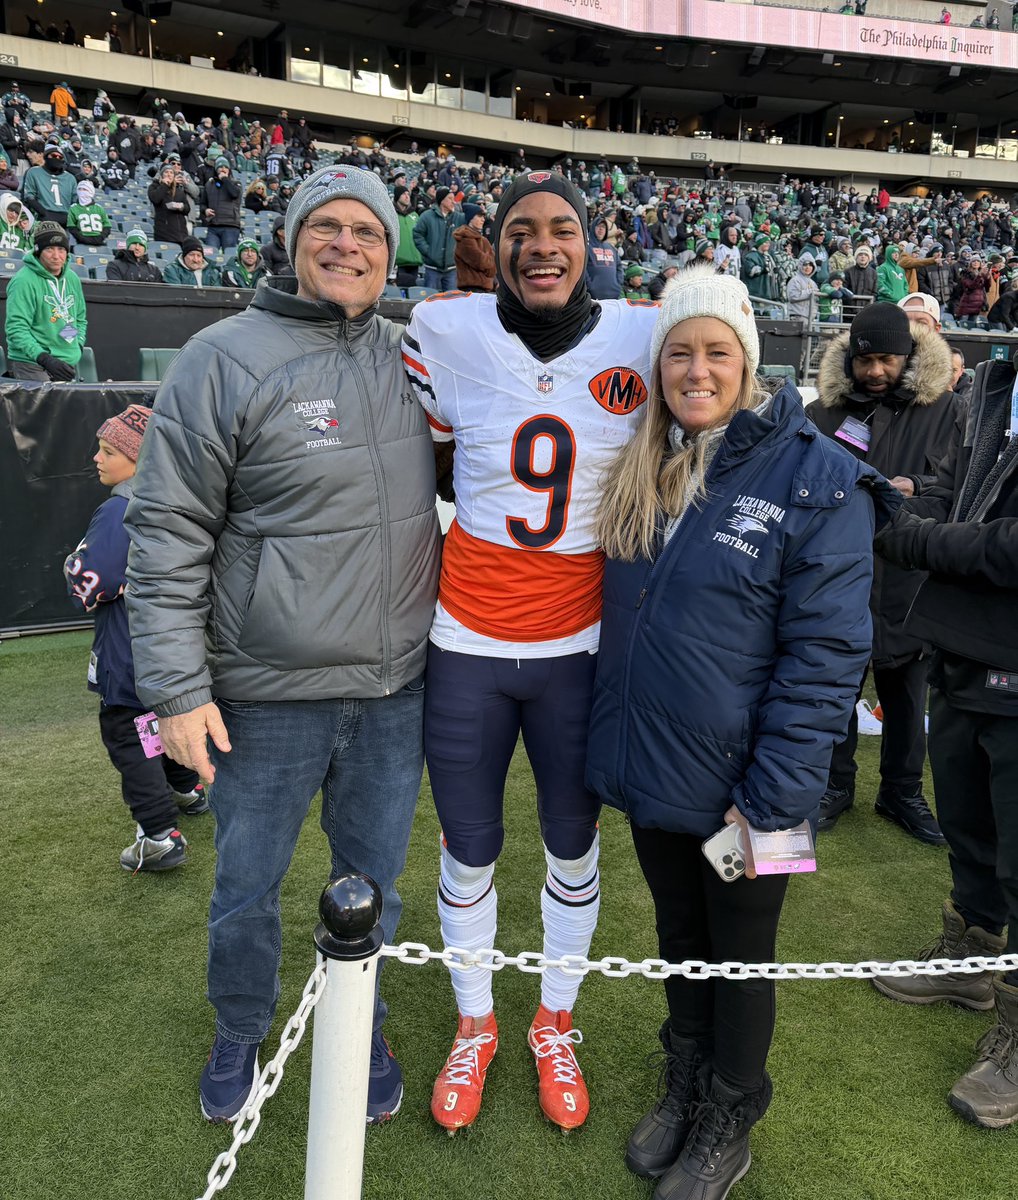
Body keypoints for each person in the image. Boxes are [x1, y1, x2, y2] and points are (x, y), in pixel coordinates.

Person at [124, 164, 441, 1126]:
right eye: (329, 227)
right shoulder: (221, 355)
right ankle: (239, 1028)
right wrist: (176, 693)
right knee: (246, 890)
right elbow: (168, 531)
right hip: (263, 692)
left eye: (369, 233)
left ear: (391, 253)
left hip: (393, 691)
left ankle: (360, 1022)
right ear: (292, 238)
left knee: (375, 889)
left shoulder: (415, 356)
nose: (349, 245)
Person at [586, 265, 894, 1200]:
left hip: (754, 793)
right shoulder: (649, 460)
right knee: (680, 933)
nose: (696, 368)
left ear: (751, 360)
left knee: (741, 951)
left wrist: (769, 801)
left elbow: (826, 659)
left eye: (717, 350)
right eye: (679, 351)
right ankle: (683, 1080)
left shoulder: (822, 478)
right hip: (656, 774)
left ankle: (730, 1111)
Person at [402, 170, 658, 1135]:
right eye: (521, 230)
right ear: (496, 245)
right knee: (467, 850)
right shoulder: (447, 330)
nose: (542, 245)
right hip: (466, 637)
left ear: (591, 242)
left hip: (579, 647)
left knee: (572, 844)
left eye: (562, 228)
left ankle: (555, 1017)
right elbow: (418, 443)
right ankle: (477, 1023)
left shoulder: (642, 332)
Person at [871, 352, 1018, 1129]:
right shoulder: (993, 385)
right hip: (965, 644)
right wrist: (905, 501)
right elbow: (946, 482)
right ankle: (971, 955)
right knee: (966, 817)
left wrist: (919, 535)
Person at [807, 303, 957, 843]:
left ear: (909, 355)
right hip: (836, 576)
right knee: (834, 691)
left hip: (909, 577)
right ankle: (834, 786)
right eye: (866, 360)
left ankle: (902, 792)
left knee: (905, 696)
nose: (875, 371)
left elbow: (957, 492)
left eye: (887, 360)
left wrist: (911, 489)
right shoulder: (823, 411)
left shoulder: (946, 408)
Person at [63, 405, 204, 873]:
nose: (97, 458)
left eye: (108, 450)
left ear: (138, 459)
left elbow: (92, 580)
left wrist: (73, 567)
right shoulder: (182, 499)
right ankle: (186, 788)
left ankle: (159, 836)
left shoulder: (119, 508)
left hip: (130, 646)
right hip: (179, 643)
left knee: (129, 731)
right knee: (164, 716)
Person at [5, 221, 86, 381]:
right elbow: (16, 329)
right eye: (49, 249)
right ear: (38, 251)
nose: (56, 256)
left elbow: (80, 319)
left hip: (67, 364)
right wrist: (44, 358)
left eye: (61, 249)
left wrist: (78, 345)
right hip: (33, 364)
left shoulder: (72, 278)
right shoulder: (23, 281)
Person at [413, 186, 461, 292]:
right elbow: (417, 234)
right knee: (430, 301)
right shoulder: (427, 216)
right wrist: (429, 251)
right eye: (450, 198)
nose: (453, 202)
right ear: (442, 200)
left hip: (452, 268)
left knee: (452, 301)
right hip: (432, 268)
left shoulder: (457, 217)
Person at [22, 145, 76, 226]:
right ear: (46, 156)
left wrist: (70, 218)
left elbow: (75, 201)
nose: (57, 158)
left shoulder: (70, 178)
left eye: (60, 157)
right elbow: (29, 196)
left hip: (65, 217)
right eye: (54, 156)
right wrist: (43, 213)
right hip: (42, 216)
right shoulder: (34, 172)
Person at [452, 202, 495, 292]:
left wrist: (490, 265)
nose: (483, 219)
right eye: (479, 216)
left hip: (485, 289)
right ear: (470, 218)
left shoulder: (483, 240)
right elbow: (481, 262)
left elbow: (494, 266)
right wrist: (489, 264)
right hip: (470, 290)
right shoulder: (464, 238)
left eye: (483, 217)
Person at [148, 161, 194, 246]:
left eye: (171, 173)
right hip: (164, 233)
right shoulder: (154, 187)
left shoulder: (179, 191)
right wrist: (164, 185)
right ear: (161, 175)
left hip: (181, 233)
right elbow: (155, 199)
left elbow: (187, 208)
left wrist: (182, 207)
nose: (169, 174)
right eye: (166, 172)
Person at [202, 158, 241, 253]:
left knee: (229, 256)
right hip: (213, 226)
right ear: (216, 169)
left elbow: (234, 194)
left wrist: (225, 179)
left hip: (230, 225)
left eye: (226, 167)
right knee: (210, 255)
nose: (223, 169)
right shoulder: (209, 184)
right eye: (220, 167)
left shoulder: (236, 183)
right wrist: (205, 210)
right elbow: (203, 203)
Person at [586, 211, 624, 299]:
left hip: (613, 295)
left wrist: (618, 284)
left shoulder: (610, 247)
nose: (601, 229)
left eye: (603, 227)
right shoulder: (586, 246)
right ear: (592, 228)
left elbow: (619, 267)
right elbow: (582, 269)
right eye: (598, 226)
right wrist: (590, 286)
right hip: (592, 296)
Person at [66, 179, 111, 247]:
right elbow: (72, 227)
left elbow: (107, 226)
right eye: (80, 189)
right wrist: (83, 238)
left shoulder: (99, 208)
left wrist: (100, 237)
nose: (82, 192)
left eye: (85, 189)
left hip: (99, 240)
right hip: (81, 242)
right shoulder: (73, 208)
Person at [786, 253, 819, 322]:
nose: (808, 267)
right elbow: (793, 296)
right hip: (797, 317)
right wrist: (810, 292)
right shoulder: (795, 280)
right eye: (805, 265)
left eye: (810, 265)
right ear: (800, 265)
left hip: (811, 319)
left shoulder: (813, 283)